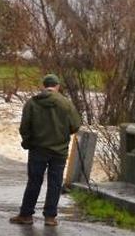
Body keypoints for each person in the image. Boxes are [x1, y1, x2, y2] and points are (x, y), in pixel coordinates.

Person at [10, 74, 82, 227]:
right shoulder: (66, 104)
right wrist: (62, 135)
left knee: (34, 182)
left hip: (38, 149)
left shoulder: (32, 103)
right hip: (59, 150)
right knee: (55, 183)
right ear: (57, 86)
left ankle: (26, 214)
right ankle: (50, 217)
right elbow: (75, 125)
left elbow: (24, 127)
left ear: (43, 85)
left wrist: (28, 142)